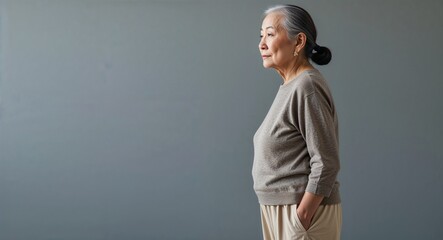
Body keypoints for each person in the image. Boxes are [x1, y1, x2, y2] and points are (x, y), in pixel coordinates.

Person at [252, 4, 342, 240]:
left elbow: (326, 161)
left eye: (270, 34)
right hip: (279, 211)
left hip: (300, 212)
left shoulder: (307, 86)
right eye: (261, 35)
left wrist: (302, 215)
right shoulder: (290, 87)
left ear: (299, 41)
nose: (262, 44)